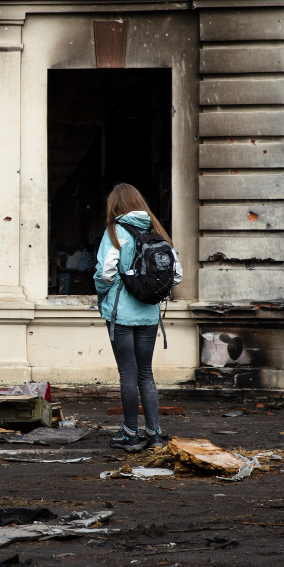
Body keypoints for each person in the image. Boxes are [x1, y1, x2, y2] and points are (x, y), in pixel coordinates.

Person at [93, 183, 183, 453]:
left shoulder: (115, 231)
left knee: (127, 374)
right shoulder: (156, 231)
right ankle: (154, 434)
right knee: (146, 374)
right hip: (149, 315)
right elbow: (176, 274)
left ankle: (131, 434)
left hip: (120, 314)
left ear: (115, 205)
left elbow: (106, 271)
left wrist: (102, 291)